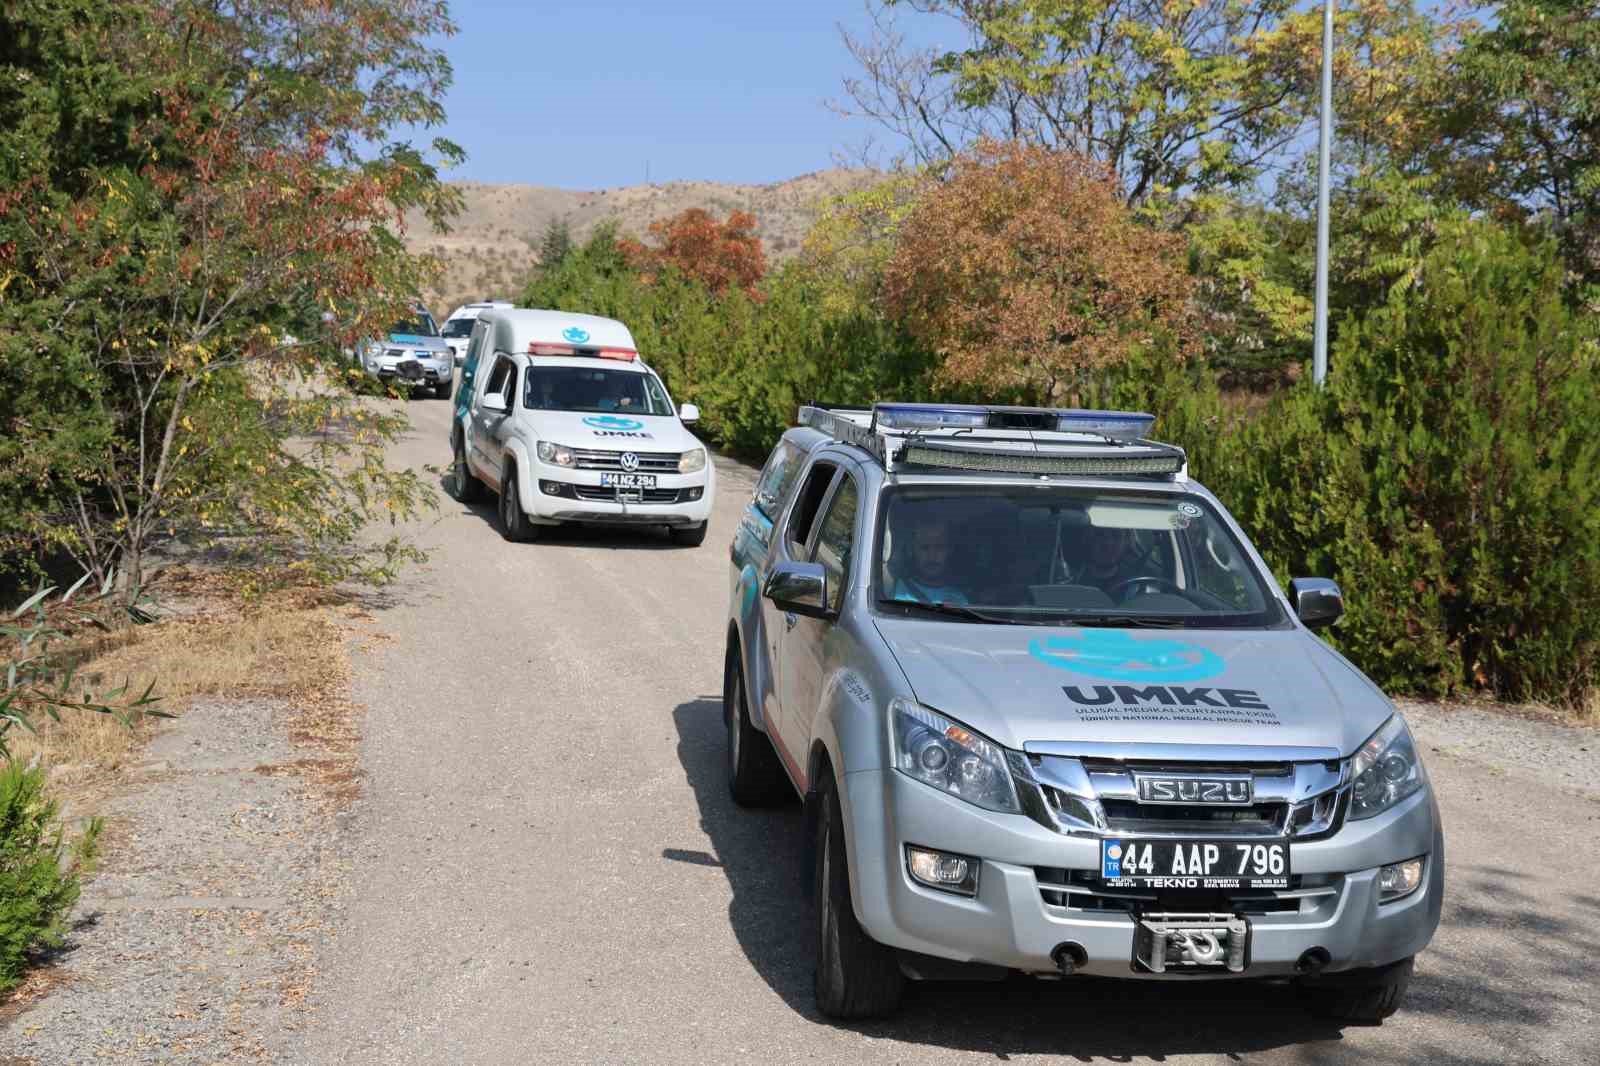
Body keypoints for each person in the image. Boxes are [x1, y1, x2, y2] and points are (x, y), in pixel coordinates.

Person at [890, 519, 969, 605]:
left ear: (949, 550)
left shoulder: (958, 599)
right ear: (912, 550)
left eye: (939, 548)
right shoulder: (893, 590)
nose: (932, 556)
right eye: (924, 547)